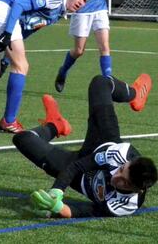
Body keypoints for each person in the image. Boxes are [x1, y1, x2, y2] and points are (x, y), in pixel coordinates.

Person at [13, 73, 157, 218]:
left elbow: (88, 210)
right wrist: (57, 190)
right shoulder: (120, 154)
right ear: (126, 163)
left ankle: (55, 125)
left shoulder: (127, 204)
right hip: (102, 142)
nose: (116, 177)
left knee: (22, 139)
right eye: (121, 170)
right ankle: (134, 93)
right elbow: (78, 165)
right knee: (100, 83)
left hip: (80, 178)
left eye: (124, 182)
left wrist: (56, 207)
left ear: (138, 190)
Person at [0, 0, 92, 133]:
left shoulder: (59, 12)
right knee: (21, 66)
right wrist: (9, 31)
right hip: (3, 11)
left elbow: (26, 30)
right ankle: (9, 121)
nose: (81, 2)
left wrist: (5, 60)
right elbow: (19, 4)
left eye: (84, 1)